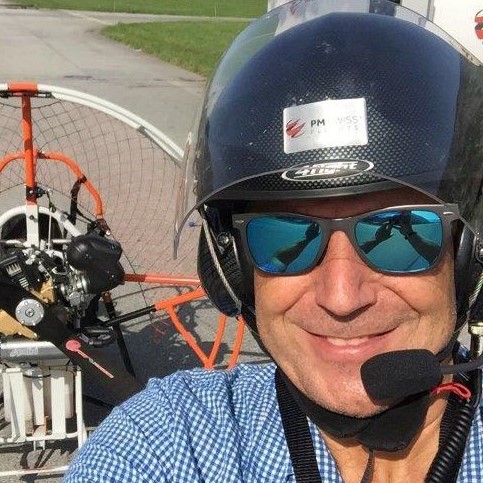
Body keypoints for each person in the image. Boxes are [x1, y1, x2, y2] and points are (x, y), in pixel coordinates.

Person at [64, 1, 483, 481]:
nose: (342, 299)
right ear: (232, 268)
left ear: (471, 254)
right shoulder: (166, 443)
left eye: (398, 233)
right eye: (286, 237)